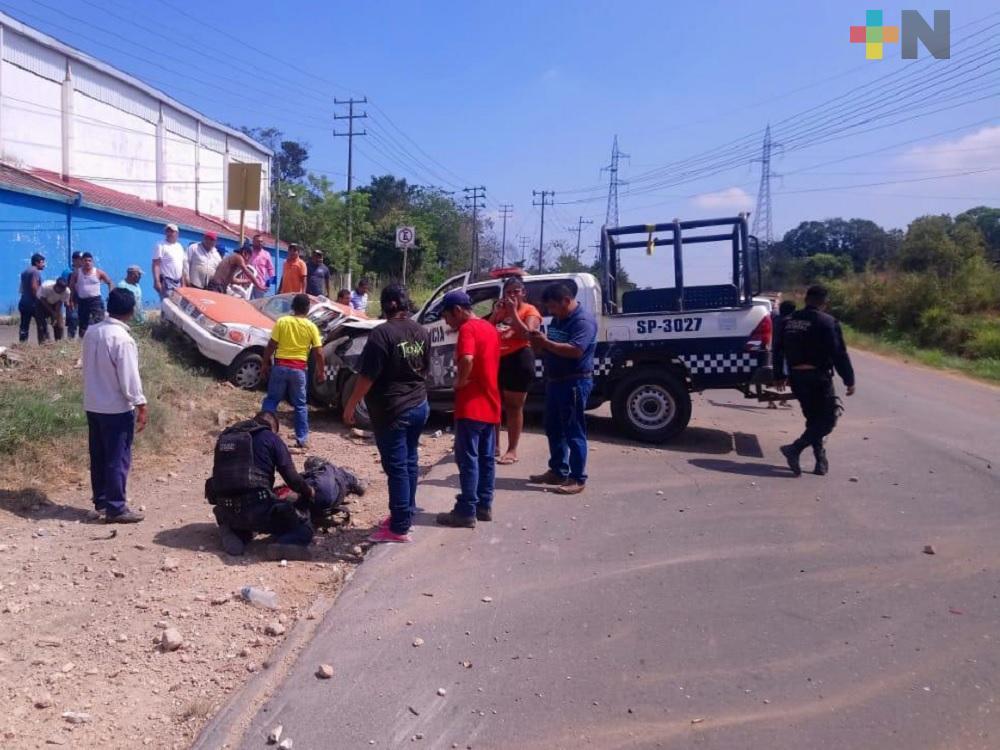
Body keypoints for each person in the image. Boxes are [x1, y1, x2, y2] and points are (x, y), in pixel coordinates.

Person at [343, 285, 430, 544]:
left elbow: (367, 376)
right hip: (419, 405)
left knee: (397, 468)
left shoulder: (382, 334)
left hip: (394, 410)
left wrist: (350, 405)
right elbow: (424, 368)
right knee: (410, 462)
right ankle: (405, 515)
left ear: (387, 304)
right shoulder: (421, 331)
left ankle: (399, 526)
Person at [206, 411, 316, 560]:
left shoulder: (225, 438)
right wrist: (308, 491)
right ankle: (284, 544)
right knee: (304, 526)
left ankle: (233, 532)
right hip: (258, 510)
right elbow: (293, 479)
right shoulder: (270, 438)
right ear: (273, 427)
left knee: (245, 523)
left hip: (227, 510)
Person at [773, 285, 855, 477]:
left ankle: (820, 461)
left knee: (813, 419)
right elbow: (839, 354)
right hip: (818, 378)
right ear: (824, 303)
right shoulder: (827, 322)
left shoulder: (789, 320)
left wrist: (779, 375)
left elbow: (777, 349)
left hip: (797, 378)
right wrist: (849, 380)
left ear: (806, 299)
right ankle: (794, 448)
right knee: (827, 420)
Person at [436, 291, 501, 528]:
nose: (446, 322)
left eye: (446, 316)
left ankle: (465, 510)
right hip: (491, 403)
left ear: (458, 311)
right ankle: (484, 505)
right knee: (486, 458)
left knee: (467, 459)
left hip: (471, 405)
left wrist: (460, 381)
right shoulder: (489, 328)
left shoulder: (468, 329)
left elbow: (467, 359)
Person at [82, 288, 147, 524]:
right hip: (116, 408)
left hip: (93, 403)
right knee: (117, 457)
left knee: (98, 455)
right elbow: (129, 378)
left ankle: (101, 501)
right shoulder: (123, 340)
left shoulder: (92, 332)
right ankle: (116, 508)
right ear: (131, 311)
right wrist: (140, 403)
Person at [527, 283, 598, 495]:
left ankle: (577, 478)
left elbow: (576, 350)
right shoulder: (559, 319)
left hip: (574, 382)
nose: (551, 313)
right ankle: (558, 470)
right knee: (553, 428)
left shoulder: (583, 321)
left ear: (566, 301)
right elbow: (547, 347)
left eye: (553, 308)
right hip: (555, 381)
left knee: (573, 430)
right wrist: (537, 342)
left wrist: (546, 343)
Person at [260, 293, 326, 449]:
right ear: (307, 308)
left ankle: (262, 433)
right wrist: (321, 371)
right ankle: (301, 439)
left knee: (272, 400)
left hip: (280, 366)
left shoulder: (282, 322)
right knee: (300, 405)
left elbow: (271, 345)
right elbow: (319, 352)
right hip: (299, 370)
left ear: (292, 307)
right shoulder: (311, 326)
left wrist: (264, 363)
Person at [489, 276, 543, 464]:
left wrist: (513, 312)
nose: (512, 295)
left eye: (515, 291)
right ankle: (494, 446)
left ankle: (512, 450)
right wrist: (496, 314)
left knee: (513, 407)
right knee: (493, 404)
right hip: (497, 360)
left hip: (519, 359)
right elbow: (488, 332)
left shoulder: (530, 310)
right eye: (508, 292)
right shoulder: (501, 311)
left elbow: (528, 333)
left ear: (523, 293)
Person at [70, 252, 113, 338]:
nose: (87, 262)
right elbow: (71, 287)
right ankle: (82, 342)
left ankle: (100, 339)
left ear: (92, 262)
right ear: (82, 261)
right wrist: (71, 300)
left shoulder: (98, 272)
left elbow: (110, 282)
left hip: (95, 301)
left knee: (99, 320)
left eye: (89, 260)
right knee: (82, 323)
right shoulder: (76, 273)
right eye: (85, 260)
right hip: (82, 301)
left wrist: (111, 294)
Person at [769, 300, 796, 409]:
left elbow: (774, 310)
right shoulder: (789, 322)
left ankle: (772, 401)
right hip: (785, 352)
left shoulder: (775, 319)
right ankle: (783, 400)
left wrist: (776, 303)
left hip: (773, 350)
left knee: (775, 376)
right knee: (787, 376)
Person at [152, 223, 187, 303]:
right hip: (166, 282)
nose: (169, 233)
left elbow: (181, 267)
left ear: (177, 233)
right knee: (168, 304)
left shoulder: (179, 246)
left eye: (172, 231)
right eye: (167, 231)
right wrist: (156, 281)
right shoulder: (160, 245)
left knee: (177, 305)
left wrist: (183, 283)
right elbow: (156, 264)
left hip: (178, 282)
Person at [18, 253, 45, 343]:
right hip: (33, 304)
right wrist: (40, 300)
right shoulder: (35, 272)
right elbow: (34, 287)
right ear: (37, 263)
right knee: (42, 324)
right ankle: (44, 344)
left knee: (24, 326)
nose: (44, 264)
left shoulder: (25, 272)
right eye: (42, 262)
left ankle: (22, 344)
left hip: (23, 302)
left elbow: (22, 288)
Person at [35, 277, 71, 342]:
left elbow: (60, 302)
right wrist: (52, 311)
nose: (62, 292)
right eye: (60, 290)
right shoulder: (46, 287)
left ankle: (59, 341)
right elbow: (42, 299)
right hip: (41, 303)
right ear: (56, 286)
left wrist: (56, 314)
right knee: (41, 324)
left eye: (63, 290)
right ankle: (44, 342)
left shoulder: (67, 291)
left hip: (55, 303)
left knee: (58, 323)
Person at [61, 251, 83, 339]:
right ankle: (70, 340)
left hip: (82, 300)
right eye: (80, 259)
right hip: (72, 300)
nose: (82, 261)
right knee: (72, 320)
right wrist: (67, 300)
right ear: (74, 260)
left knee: (83, 321)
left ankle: (82, 340)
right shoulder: (67, 271)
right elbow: (63, 286)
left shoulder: (84, 271)